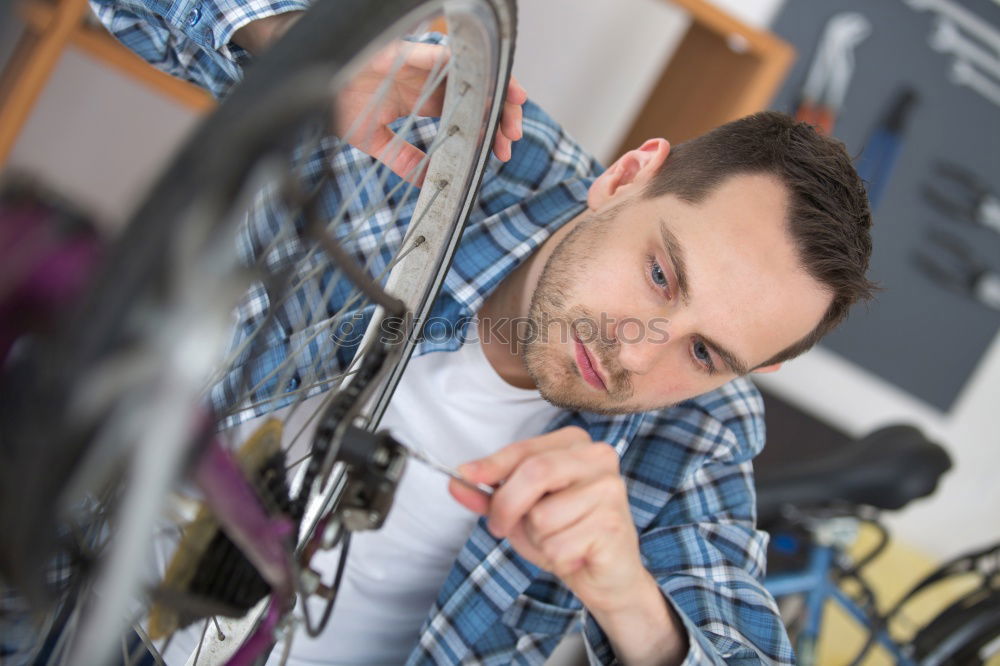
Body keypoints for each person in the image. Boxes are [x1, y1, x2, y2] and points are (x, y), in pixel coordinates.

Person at [80, 1, 875, 665]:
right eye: (661, 275)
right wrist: (307, 47)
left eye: (704, 352)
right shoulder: (449, 135)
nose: (634, 351)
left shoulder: (701, 429)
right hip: (68, 591)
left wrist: (635, 605)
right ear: (628, 177)